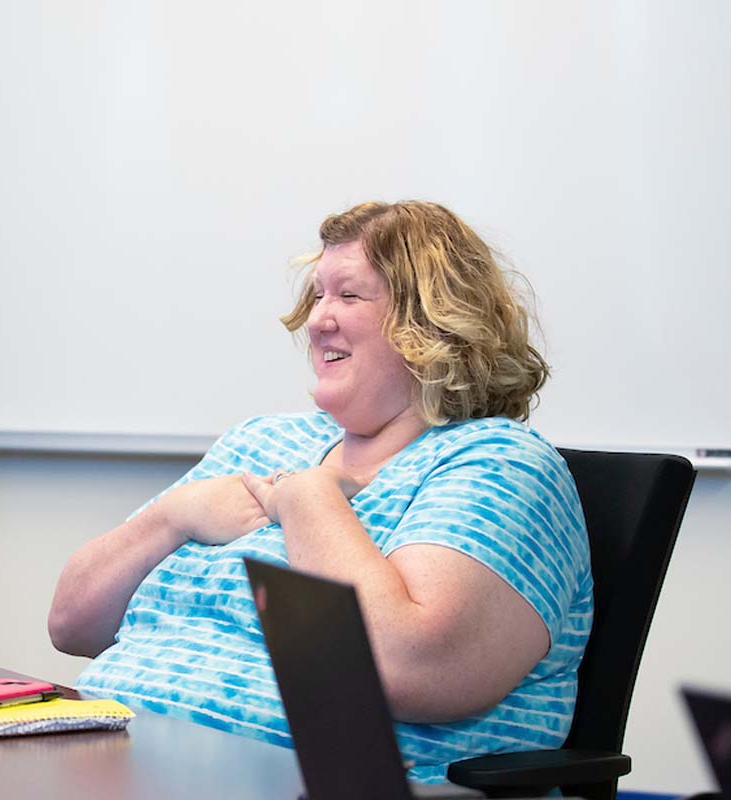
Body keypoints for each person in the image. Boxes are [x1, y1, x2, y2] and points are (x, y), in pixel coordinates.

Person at [48, 201, 594, 783]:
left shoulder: (498, 462)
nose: (316, 320)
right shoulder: (261, 439)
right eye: (317, 296)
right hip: (109, 761)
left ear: (434, 320)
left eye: (349, 296)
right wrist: (172, 517)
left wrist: (308, 501)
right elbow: (71, 625)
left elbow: (410, 668)